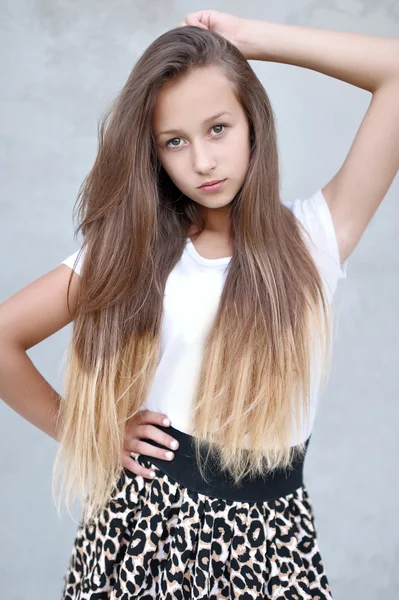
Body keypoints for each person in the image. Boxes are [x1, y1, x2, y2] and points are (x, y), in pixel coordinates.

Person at [0, 9, 398, 600]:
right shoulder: (132, 250)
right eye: (175, 142)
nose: (203, 162)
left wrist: (250, 44)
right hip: (141, 535)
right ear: (155, 154)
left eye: (218, 128)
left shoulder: (315, 238)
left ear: (252, 122)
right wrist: (93, 433)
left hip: (273, 541)